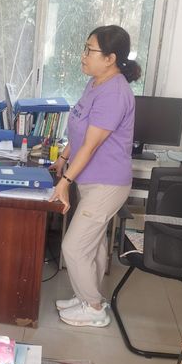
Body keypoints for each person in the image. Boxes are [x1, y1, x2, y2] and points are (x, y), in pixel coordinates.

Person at [49, 25, 141, 328]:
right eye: (85, 48)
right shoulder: (95, 83)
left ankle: (93, 308)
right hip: (91, 179)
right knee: (94, 244)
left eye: (90, 50)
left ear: (110, 58)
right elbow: (80, 129)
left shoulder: (114, 93)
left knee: (74, 247)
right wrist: (63, 158)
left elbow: (91, 145)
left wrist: (65, 182)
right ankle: (86, 296)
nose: (83, 55)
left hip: (107, 183)